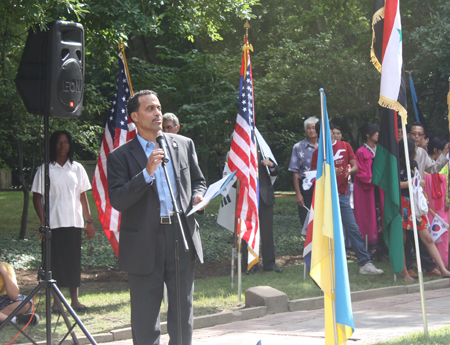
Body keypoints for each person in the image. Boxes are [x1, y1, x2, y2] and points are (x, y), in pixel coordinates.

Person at [107, 90, 207, 345]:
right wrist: (146, 173)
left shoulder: (183, 144)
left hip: (181, 234)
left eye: (159, 108)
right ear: (134, 116)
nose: (157, 113)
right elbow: (118, 200)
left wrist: (198, 197)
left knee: (183, 308)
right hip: (143, 241)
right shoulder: (120, 156)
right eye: (150, 109)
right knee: (144, 313)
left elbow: (199, 182)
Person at [31, 130, 95, 313]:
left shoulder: (77, 168)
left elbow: (82, 197)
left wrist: (88, 221)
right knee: (54, 264)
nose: (63, 145)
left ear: (70, 145)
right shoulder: (45, 169)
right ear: (53, 145)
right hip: (53, 224)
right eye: (59, 142)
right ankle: (57, 303)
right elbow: (37, 197)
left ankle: (75, 301)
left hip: (74, 222)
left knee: (73, 262)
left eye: (66, 142)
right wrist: (43, 221)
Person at [311, 121, 384, 275]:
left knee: (353, 228)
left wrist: (349, 172)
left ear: (331, 130)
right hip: (325, 198)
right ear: (319, 134)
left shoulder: (345, 146)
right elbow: (313, 177)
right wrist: (330, 174)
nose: (326, 133)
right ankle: (326, 264)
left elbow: (355, 166)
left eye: (328, 130)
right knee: (326, 231)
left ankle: (365, 263)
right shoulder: (318, 153)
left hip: (342, 195)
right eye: (322, 131)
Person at [398, 138, 450, 281]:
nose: (417, 151)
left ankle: (443, 270)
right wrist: (412, 183)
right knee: (401, 239)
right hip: (402, 203)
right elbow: (395, 184)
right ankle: (404, 272)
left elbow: (424, 175)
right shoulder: (396, 163)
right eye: (414, 149)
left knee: (427, 237)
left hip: (415, 204)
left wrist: (416, 182)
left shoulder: (414, 163)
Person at [244, 144, 282, 274]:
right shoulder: (239, 151)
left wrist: (270, 165)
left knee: (267, 233)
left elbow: (277, 170)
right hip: (247, 199)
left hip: (265, 198)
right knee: (248, 233)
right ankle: (251, 264)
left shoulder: (264, 150)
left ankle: (269, 264)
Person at [353, 122, 385, 260]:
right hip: (368, 190)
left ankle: (383, 250)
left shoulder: (380, 149)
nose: (378, 134)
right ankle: (371, 252)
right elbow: (360, 172)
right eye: (375, 132)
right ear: (368, 134)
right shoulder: (360, 151)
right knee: (369, 218)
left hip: (380, 189)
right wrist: (373, 179)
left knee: (381, 217)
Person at [289, 116, 319, 228]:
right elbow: (295, 172)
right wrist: (298, 193)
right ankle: (308, 243)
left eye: (314, 128)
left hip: (323, 185)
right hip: (306, 186)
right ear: (305, 130)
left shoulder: (325, 145)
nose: (311, 130)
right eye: (308, 128)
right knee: (306, 216)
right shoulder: (298, 147)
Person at [424, 137, 449, 267]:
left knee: (444, 233)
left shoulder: (446, 165)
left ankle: (443, 262)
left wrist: (448, 200)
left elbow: (449, 183)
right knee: (430, 235)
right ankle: (430, 263)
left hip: (443, 206)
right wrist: (425, 201)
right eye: (442, 152)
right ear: (435, 150)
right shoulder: (425, 165)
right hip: (429, 208)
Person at [0, 248, 39, 326]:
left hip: (3, 302)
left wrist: (4, 272)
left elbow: (14, 296)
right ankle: (13, 320)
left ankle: (3, 318)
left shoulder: (7, 267)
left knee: (26, 303)